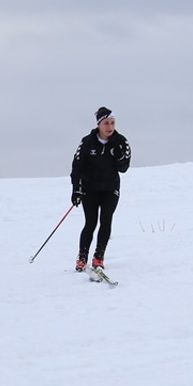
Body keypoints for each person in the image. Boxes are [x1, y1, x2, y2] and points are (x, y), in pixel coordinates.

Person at [70, 106, 132, 272]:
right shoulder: (87, 142)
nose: (110, 127)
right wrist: (76, 190)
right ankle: (82, 258)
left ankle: (99, 257)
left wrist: (118, 155)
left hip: (110, 188)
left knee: (106, 220)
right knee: (90, 223)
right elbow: (76, 167)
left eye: (112, 123)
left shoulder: (121, 141)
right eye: (106, 123)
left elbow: (124, 168)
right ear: (99, 124)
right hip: (90, 189)